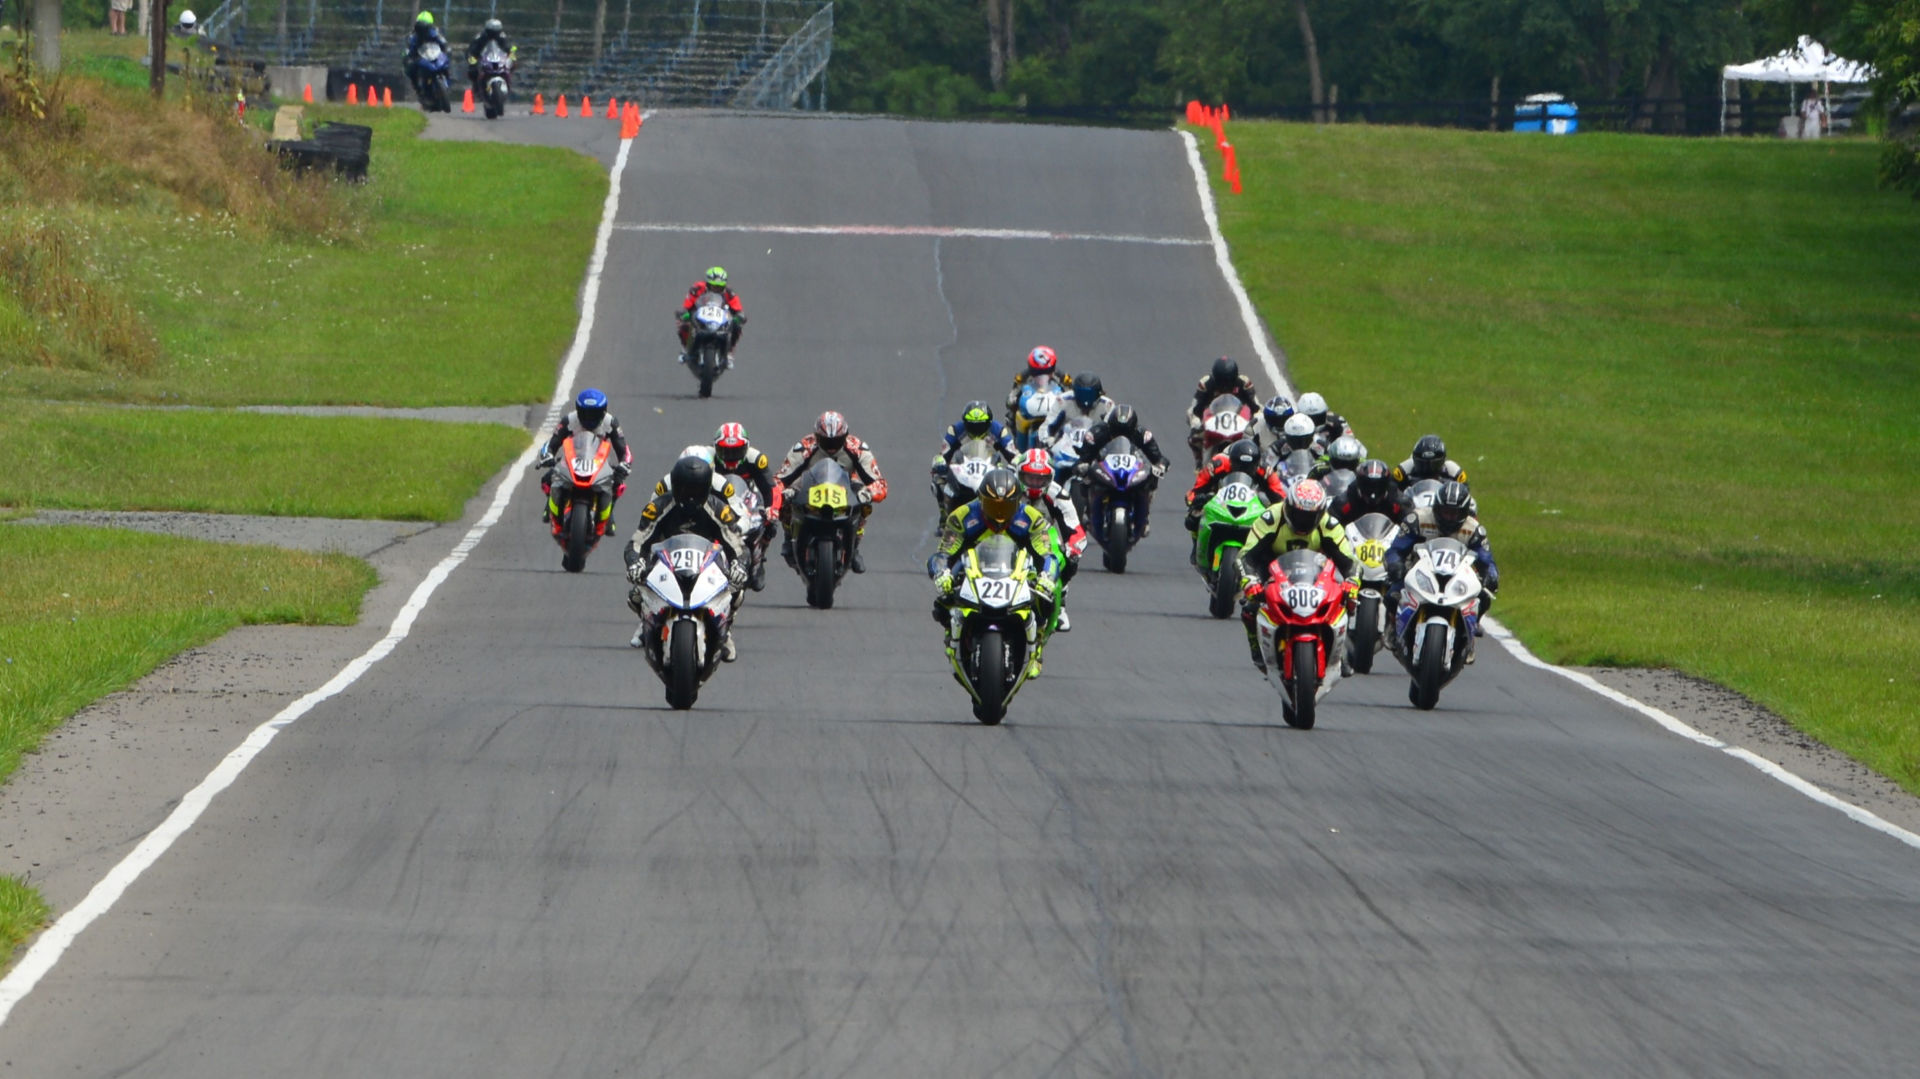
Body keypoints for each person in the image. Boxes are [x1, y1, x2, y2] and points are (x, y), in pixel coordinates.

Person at [931, 468, 1059, 678]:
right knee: (943, 597)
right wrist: (941, 572)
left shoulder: (1032, 518)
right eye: (993, 506)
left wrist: (1047, 577)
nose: (1000, 514)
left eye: (1006, 507)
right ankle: (951, 633)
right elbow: (943, 553)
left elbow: (1048, 556)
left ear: (1018, 502)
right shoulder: (962, 516)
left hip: (1017, 569)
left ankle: (1036, 648)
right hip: (973, 568)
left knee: (1047, 597)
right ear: (981, 501)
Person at [622, 456, 748, 659]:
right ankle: (647, 621)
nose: (691, 497)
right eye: (685, 490)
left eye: (696, 491)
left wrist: (739, 564)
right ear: (675, 486)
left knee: (737, 591)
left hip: (708, 562)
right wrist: (635, 562)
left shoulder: (719, 510)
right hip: (666, 560)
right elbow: (636, 542)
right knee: (636, 594)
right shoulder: (658, 507)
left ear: (707, 488)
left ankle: (725, 630)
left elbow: (738, 546)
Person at [1237, 478, 1360, 672]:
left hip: (1315, 572)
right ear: (1288, 507)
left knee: (1347, 601)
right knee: (1250, 608)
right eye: (1298, 514)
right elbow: (1246, 555)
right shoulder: (1270, 518)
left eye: (1309, 516)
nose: (1303, 521)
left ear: (1319, 514)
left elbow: (1350, 561)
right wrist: (1249, 580)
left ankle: (1339, 653)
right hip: (1272, 568)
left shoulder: (1329, 525)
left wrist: (1352, 581)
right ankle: (1257, 650)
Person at [1386, 480, 1498, 653]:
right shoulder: (1418, 519)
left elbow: (1486, 558)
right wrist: (1395, 564)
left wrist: (1491, 575)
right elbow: (1396, 549)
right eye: (1445, 512)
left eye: (1454, 513)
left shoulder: (1474, 529)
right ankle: (1394, 627)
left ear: (1464, 512)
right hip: (1419, 573)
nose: (1449, 517)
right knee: (1392, 595)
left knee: (1484, 598)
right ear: (1436, 507)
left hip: (1457, 577)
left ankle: (1467, 638)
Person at [775, 411, 887, 573]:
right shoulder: (805, 447)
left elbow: (880, 483)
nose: (832, 447)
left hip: (845, 487)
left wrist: (868, 492)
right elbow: (780, 478)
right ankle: (788, 537)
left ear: (845, 437)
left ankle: (854, 545)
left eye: (837, 441)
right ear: (817, 437)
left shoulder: (857, 448)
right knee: (784, 498)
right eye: (827, 442)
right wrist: (784, 492)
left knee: (865, 502)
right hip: (809, 485)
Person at [537, 388, 633, 529]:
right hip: (572, 460)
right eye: (586, 414)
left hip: (599, 462)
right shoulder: (569, 420)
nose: (589, 418)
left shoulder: (610, 422)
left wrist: (624, 464)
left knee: (618, 483)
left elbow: (623, 448)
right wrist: (547, 456)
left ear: (603, 412)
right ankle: (550, 505)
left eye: (594, 414)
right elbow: (552, 442)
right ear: (578, 410)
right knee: (547, 479)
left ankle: (608, 514)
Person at [1017, 448, 1085, 632]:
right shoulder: (1009, 488)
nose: (1035, 483)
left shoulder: (1058, 494)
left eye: (1040, 479)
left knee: (1067, 559)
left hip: (1044, 537)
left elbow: (1075, 528)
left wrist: (1073, 549)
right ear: (1019, 474)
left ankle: (1060, 604)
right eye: (1030, 478)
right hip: (1010, 535)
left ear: (1049, 478)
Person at [1077, 402, 1170, 531]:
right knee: (1085, 476)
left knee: (1151, 479)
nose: (1120, 436)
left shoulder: (1142, 434)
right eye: (1116, 433)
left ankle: (1145, 514)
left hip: (1131, 469)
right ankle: (1088, 509)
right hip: (1105, 467)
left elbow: (1158, 457)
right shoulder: (1097, 433)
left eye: (1126, 434)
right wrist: (1083, 465)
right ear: (1109, 427)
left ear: (1133, 429)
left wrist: (1160, 466)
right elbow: (1084, 457)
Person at [1185, 437, 1276, 563]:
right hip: (1220, 502)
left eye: (1249, 467)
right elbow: (1197, 488)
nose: (1244, 470)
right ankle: (1197, 547)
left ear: (1256, 464)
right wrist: (1195, 501)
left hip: (1253, 506)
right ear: (1232, 461)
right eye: (1239, 466)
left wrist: (1272, 507)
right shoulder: (1217, 464)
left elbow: (1280, 497)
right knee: (1192, 517)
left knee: (1276, 525)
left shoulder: (1266, 471)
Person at [1186, 357, 1261, 463]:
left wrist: (1257, 420)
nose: (1225, 387)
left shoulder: (1244, 383)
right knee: (1194, 438)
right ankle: (1199, 463)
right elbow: (1193, 410)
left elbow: (1257, 406)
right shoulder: (1205, 384)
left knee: (1258, 438)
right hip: (1213, 422)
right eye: (1222, 383)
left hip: (1239, 422)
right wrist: (1196, 423)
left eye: (1228, 383)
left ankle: (1258, 463)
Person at [677, 266, 746, 367]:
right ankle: (686, 349)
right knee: (683, 325)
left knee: (737, 326)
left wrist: (740, 316)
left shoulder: (729, 293)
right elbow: (687, 304)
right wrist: (684, 313)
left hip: (721, 319)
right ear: (708, 284)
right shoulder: (696, 289)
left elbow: (738, 308)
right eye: (714, 286)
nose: (716, 289)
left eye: (720, 287)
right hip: (699, 317)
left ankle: (729, 353)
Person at [1004, 346, 1073, 435]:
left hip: (1052, 393)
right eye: (1037, 372)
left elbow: (1070, 387)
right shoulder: (1021, 376)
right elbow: (1015, 389)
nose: (1041, 374)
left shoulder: (1062, 376)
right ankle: (1017, 438)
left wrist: (1070, 397)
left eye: (1046, 371)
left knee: (1068, 414)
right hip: (1033, 394)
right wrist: (1012, 399)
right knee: (1012, 413)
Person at [1044, 371, 1116, 452]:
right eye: (1081, 394)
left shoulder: (1107, 405)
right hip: (1065, 447)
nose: (1085, 400)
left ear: (1099, 394)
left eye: (1090, 395)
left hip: (1095, 449)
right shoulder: (1062, 401)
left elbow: (1113, 431)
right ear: (1074, 392)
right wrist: (1048, 439)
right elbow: (1048, 423)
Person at [1330, 459, 1411, 525]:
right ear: (1360, 483)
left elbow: (1409, 523)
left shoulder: (1398, 501)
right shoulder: (1345, 501)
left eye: (1378, 486)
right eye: (1368, 486)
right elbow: (1331, 523)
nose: (1373, 492)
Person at [1392, 434, 1469, 487]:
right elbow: (1392, 494)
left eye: (1433, 465)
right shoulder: (1402, 472)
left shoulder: (1455, 473)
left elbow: (1465, 498)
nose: (1428, 469)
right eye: (1423, 464)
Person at [403, 12, 451, 96]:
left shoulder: (434, 33)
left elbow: (443, 42)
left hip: (434, 55)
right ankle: (417, 87)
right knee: (411, 69)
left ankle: (447, 80)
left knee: (446, 62)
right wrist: (409, 57)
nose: (423, 29)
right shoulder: (413, 37)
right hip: (421, 58)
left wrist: (446, 49)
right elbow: (410, 49)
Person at [466, 17, 516, 88]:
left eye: (496, 32)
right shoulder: (480, 37)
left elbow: (510, 48)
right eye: (491, 32)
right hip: (482, 58)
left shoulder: (502, 37)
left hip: (497, 59)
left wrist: (513, 57)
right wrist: (473, 64)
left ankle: (508, 83)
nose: (494, 35)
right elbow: (471, 51)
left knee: (511, 66)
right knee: (473, 71)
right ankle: (476, 87)